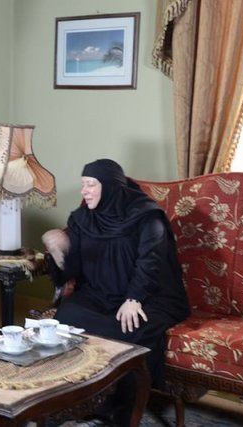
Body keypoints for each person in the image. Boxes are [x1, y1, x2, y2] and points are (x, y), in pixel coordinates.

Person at [42, 159, 190, 426]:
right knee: (67, 316)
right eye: (83, 184)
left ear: (109, 186)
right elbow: (73, 269)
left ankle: (119, 410)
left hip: (150, 295)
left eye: (90, 185)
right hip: (101, 294)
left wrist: (134, 298)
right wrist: (59, 251)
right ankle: (72, 399)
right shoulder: (81, 218)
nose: (84, 191)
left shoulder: (147, 217)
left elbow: (151, 261)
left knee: (128, 327)